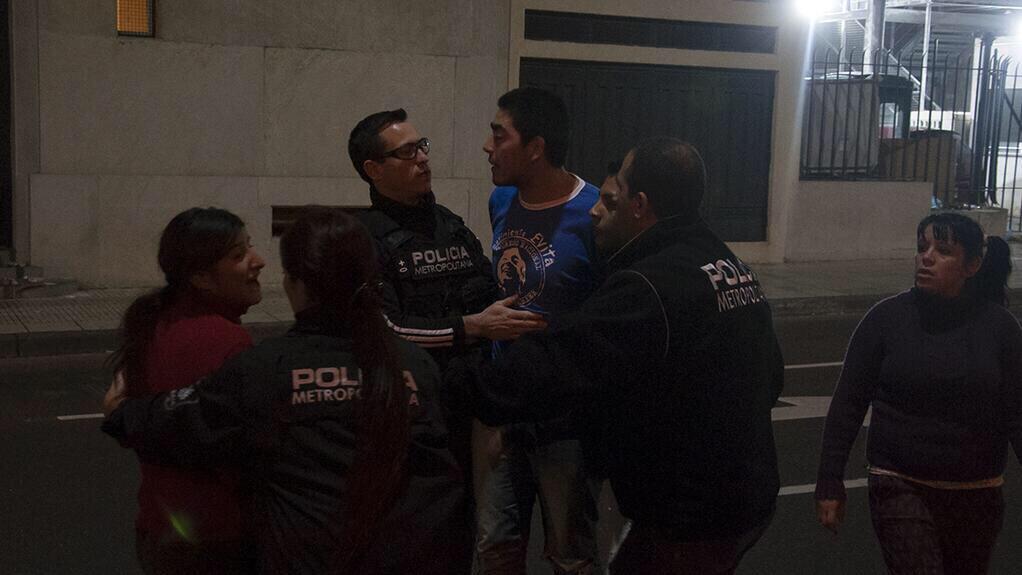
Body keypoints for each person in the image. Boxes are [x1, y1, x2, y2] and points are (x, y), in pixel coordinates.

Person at [452, 137, 783, 574]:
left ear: (640, 204)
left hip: (691, 512)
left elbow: (563, 358)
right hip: (743, 496)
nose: (594, 211)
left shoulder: (649, 285)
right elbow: (772, 376)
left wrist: (465, 380)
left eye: (613, 197)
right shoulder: (724, 261)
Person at [103, 207, 471, 574]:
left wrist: (121, 412)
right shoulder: (415, 365)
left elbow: (181, 418)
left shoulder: (267, 369)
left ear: (296, 285)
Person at [347, 109, 545, 498]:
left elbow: (489, 289)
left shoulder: (449, 224)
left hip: (473, 401)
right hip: (414, 412)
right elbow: (384, 327)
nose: (423, 158)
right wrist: (471, 327)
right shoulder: (363, 238)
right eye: (407, 152)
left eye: (422, 146)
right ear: (374, 169)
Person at [815, 212, 1021, 574]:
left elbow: (1017, 410)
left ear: (971, 266)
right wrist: (830, 481)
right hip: (899, 484)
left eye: (943, 251)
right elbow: (848, 404)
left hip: (977, 491)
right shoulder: (886, 319)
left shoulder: (999, 328)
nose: (927, 258)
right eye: (922, 247)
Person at [475, 86, 605, 575]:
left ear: (535, 147)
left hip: (564, 419)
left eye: (499, 135)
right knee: (495, 546)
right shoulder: (501, 200)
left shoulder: (593, 213)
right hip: (504, 409)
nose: (487, 147)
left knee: (570, 553)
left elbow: (607, 320)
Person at [107, 207, 264, 574]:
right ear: (201, 277)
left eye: (250, 246)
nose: (258, 261)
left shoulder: (155, 323)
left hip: (160, 527)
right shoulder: (224, 341)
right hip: (214, 537)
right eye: (238, 255)